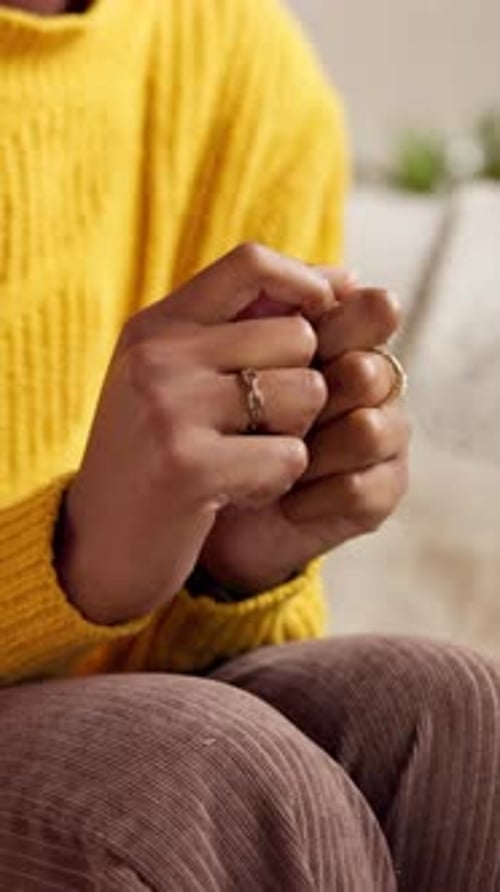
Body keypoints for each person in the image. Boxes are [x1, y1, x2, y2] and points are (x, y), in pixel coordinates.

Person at [0, 0, 498, 889]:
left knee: (461, 718)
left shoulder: (241, 61)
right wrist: (71, 562)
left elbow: (193, 668)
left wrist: (227, 572)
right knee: (207, 784)